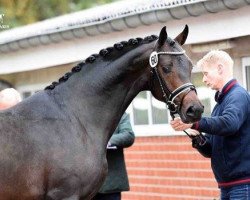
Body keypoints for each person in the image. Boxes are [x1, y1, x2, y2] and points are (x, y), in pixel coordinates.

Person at [170, 50, 250, 199]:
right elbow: (210, 151)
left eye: (206, 73)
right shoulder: (219, 104)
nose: (204, 79)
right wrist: (197, 137)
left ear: (220, 69)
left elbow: (230, 123)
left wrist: (194, 123)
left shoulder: (238, 95)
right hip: (227, 186)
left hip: (242, 185)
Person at [93, 113, 135, 200]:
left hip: (110, 184)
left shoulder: (120, 113)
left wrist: (104, 141)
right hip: (86, 185)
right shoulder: (85, 111)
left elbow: (128, 135)